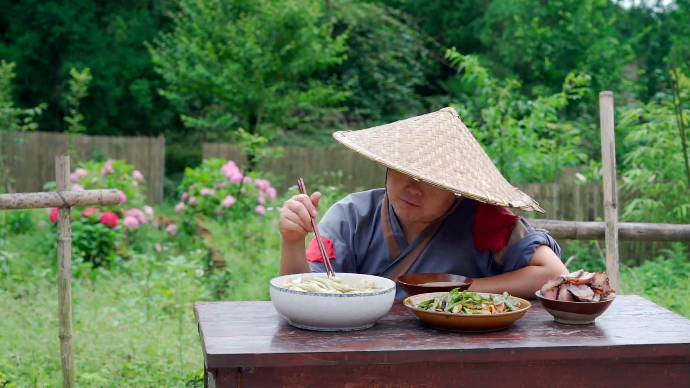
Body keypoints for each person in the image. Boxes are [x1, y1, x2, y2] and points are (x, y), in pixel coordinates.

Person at [279, 107, 569, 300]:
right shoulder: (352, 216)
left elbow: (555, 275)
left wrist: (455, 292)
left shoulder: (484, 219)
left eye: (431, 180)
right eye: (403, 170)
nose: (412, 188)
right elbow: (302, 293)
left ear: (458, 189)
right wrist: (292, 242)